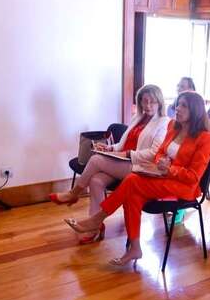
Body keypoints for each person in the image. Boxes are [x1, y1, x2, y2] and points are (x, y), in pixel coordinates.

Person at [64, 92, 210, 265]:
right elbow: (159, 153)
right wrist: (162, 162)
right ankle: (135, 249)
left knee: (132, 180)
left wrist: (170, 169)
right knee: (132, 195)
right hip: (162, 176)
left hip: (183, 187)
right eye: (178, 104)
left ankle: (97, 219)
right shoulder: (174, 126)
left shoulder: (206, 138)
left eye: (184, 106)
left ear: (195, 110)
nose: (177, 108)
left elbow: (193, 177)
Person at [49, 84, 170, 243]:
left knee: (96, 160)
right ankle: (95, 227)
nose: (147, 105)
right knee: (96, 180)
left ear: (159, 102)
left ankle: (73, 194)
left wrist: (126, 154)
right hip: (122, 161)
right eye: (144, 101)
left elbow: (153, 153)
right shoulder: (138, 118)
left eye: (152, 102)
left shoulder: (164, 123)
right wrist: (110, 148)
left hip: (139, 167)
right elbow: (124, 143)